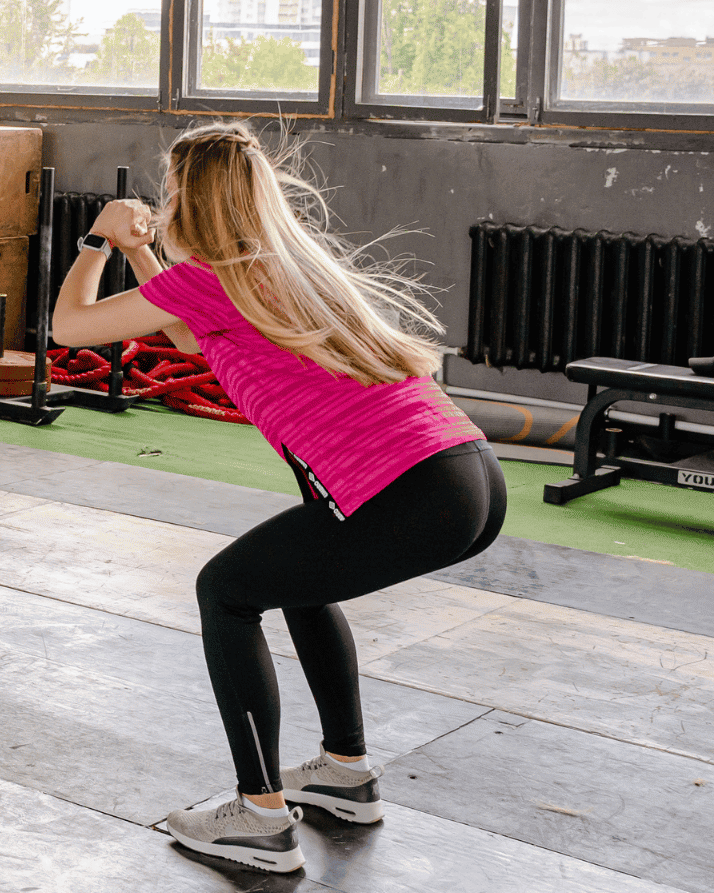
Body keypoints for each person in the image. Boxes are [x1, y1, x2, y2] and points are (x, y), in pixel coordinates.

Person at [50, 122, 502, 873]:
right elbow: (196, 339)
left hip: (413, 489)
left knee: (224, 592)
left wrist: (95, 242)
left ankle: (258, 816)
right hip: (468, 473)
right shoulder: (286, 264)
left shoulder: (210, 279)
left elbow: (71, 327)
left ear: (188, 198)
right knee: (298, 580)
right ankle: (344, 772)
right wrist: (139, 253)